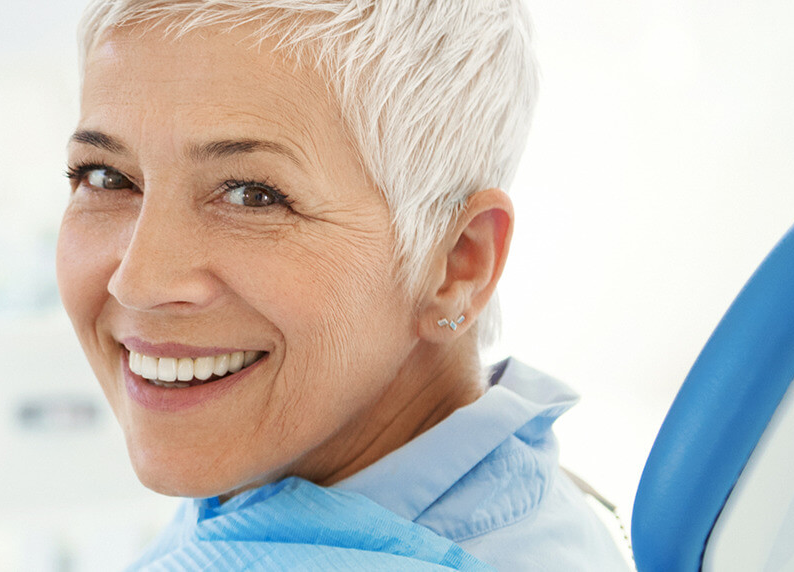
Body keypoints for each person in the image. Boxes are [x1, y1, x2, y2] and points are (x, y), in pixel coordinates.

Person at [54, 1, 635, 569]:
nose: (138, 280)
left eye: (252, 195)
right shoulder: (515, 489)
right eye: (106, 178)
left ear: (458, 263)